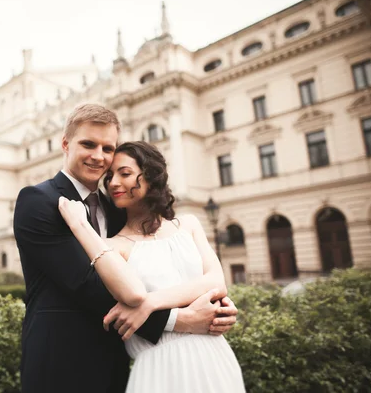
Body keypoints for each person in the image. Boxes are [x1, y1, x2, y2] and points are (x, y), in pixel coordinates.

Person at [13, 104, 238, 393]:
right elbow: (88, 284)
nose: (99, 156)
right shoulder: (39, 201)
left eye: (108, 148)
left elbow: (156, 272)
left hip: (119, 360)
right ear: (66, 144)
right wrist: (181, 320)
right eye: (88, 144)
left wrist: (216, 306)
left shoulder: (119, 208)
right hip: (62, 359)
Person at [58, 141, 245, 393]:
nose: (113, 183)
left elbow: (216, 283)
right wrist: (79, 226)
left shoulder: (188, 224)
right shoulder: (110, 246)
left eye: (124, 173)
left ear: (152, 177)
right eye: (110, 176)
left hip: (215, 358)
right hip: (158, 368)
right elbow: (122, 298)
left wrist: (149, 304)